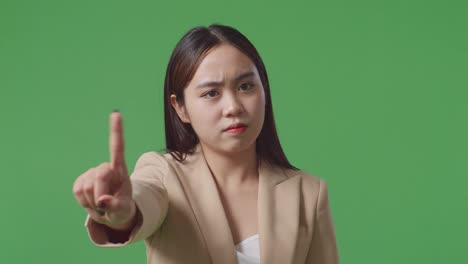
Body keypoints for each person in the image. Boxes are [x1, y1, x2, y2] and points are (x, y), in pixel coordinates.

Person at [72, 24, 339, 264]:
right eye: (211, 93)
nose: (233, 106)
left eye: (246, 86)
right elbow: (144, 200)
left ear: (265, 91)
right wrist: (125, 212)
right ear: (180, 108)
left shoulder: (309, 193)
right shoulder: (164, 174)